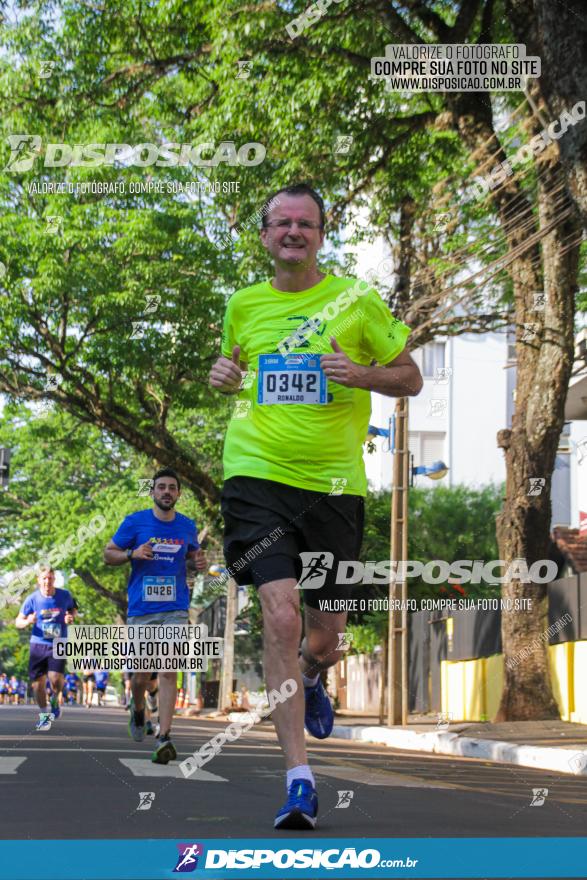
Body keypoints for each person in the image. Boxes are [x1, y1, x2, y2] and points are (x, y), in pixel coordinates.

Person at [209, 183, 422, 830]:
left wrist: (363, 376)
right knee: (278, 615)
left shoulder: (355, 300)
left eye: (305, 223)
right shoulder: (242, 304)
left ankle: (309, 675)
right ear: (265, 234)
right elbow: (234, 366)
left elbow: (409, 376)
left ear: (321, 234)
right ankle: (298, 780)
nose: (293, 232)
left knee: (325, 638)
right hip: (256, 475)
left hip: (333, 486)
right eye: (282, 223)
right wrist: (222, 374)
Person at [104, 467, 207, 763]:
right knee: (139, 676)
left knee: (167, 669)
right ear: (152, 492)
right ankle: (138, 711)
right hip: (141, 610)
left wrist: (198, 560)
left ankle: (164, 736)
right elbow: (108, 553)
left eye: (172, 488)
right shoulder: (135, 522)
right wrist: (131, 554)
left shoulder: (187, 526)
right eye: (161, 487)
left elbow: (192, 555)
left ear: (178, 494)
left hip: (175, 607)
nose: (166, 492)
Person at [15, 567, 77, 730]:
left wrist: (70, 617)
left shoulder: (64, 595)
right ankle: (44, 715)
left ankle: (56, 697)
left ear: (54, 579)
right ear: (38, 580)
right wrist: (28, 620)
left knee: (55, 678)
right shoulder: (32, 599)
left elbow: (72, 609)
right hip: (38, 644)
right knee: (37, 685)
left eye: (50, 578)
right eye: (44, 578)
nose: (47, 581)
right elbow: (18, 622)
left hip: (59, 642)